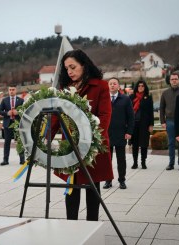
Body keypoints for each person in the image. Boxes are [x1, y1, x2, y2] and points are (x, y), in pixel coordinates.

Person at [54, 49, 113, 221]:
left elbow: (104, 116)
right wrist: (44, 136)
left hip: (93, 146)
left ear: (84, 65)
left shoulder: (100, 86)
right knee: (72, 188)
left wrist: (90, 140)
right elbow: (57, 117)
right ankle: (72, 226)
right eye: (67, 69)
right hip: (70, 146)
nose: (70, 71)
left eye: (73, 67)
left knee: (92, 187)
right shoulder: (65, 89)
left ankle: (91, 226)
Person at [103, 77, 134, 190]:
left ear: (118, 86)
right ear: (108, 86)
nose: (112, 85)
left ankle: (122, 180)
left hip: (121, 133)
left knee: (121, 159)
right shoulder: (104, 99)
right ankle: (108, 180)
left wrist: (129, 131)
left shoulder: (125, 99)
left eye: (114, 83)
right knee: (107, 160)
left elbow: (131, 117)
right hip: (107, 134)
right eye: (110, 84)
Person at [160, 72, 179, 171]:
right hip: (169, 121)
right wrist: (162, 121)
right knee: (171, 143)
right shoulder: (165, 93)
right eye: (172, 79)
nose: (174, 81)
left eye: (176, 79)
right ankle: (171, 163)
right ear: (169, 81)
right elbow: (161, 108)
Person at [0, 84, 25, 165]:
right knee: (7, 142)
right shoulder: (4, 100)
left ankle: (22, 159)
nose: (11, 91)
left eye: (13, 89)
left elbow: (25, 110)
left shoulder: (21, 100)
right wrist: (7, 113)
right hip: (7, 124)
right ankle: (5, 160)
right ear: (8, 90)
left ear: (16, 90)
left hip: (17, 124)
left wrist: (18, 112)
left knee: (19, 142)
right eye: (10, 90)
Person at [130, 80, 154, 169]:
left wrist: (151, 124)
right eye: (139, 86)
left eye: (142, 86)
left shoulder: (148, 98)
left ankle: (143, 162)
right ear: (136, 87)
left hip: (144, 124)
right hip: (134, 124)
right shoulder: (131, 97)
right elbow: (128, 112)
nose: (140, 87)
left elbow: (151, 112)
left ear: (145, 87)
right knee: (135, 145)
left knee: (144, 144)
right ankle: (135, 163)